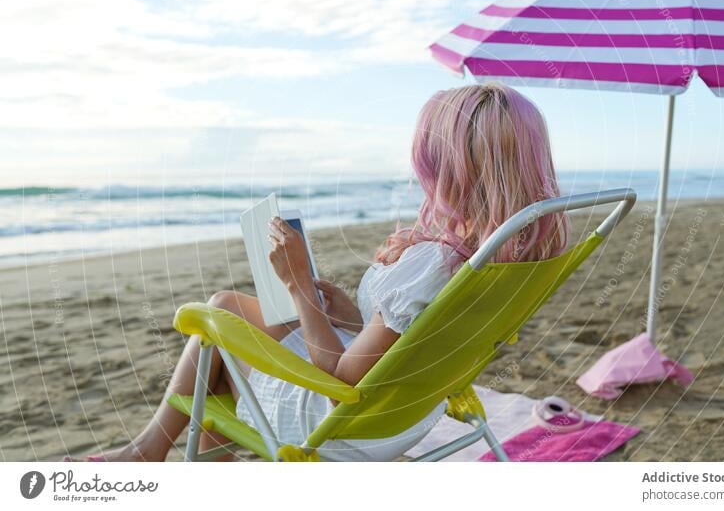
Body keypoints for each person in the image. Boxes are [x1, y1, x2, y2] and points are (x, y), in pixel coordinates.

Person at [64, 83, 568, 462]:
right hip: (413, 409)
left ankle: (149, 451)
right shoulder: (508, 258)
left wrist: (300, 288)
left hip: (351, 426)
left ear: (449, 171)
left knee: (213, 324)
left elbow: (340, 377)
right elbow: (406, 340)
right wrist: (352, 315)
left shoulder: (431, 265)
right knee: (233, 306)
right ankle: (162, 455)